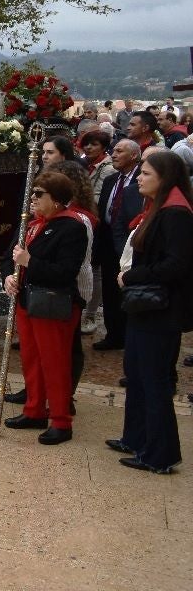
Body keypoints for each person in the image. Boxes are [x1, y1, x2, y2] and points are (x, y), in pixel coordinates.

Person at [111, 150, 192, 474]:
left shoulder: (176, 214)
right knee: (137, 373)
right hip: (145, 307)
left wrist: (131, 276)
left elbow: (175, 265)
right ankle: (136, 437)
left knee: (153, 379)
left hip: (160, 310)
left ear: (165, 177)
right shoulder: (157, 207)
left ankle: (161, 453)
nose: (140, 178)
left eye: (145, 173)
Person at [1, 171, 88, 445]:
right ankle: (34, 410)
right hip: (28, 301)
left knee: (55, 363)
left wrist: (29, 262)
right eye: (33, 193)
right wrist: (8, 277)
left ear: (58, 199)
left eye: (40, 194)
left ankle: (61, 421)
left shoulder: (72, 226)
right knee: (32, 359)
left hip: (53, 303)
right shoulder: (31, 224)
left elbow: (65, 271)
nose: (33, 198)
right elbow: (9, 256)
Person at [94, 138, 143, 351]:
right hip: (107, 241)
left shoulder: (141, 180)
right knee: (110, 290)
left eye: (119, 151)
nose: (113, 154)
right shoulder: (111, 180)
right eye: (113, 151)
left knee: (128, 289)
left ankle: (129, 335)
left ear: (133, 155)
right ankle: (113, 334)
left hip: (130, 242)